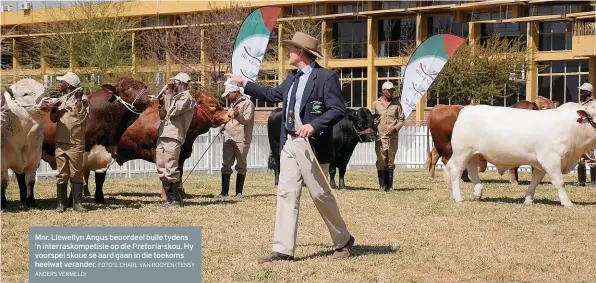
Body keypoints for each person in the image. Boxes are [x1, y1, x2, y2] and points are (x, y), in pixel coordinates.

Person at [225, 31, 355, 263]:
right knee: (286, 193)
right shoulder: (292, 77)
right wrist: (245, 84)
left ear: (303, 53)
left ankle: (343, 240)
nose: (288, 52)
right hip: (290, 143)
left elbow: (337, 110)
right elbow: (272, 94)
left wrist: (314, 126)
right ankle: (283, 250)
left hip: (311, 145)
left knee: (320, 194)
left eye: (292, 49)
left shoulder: (326, 77)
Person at [156, 72, 196, 207]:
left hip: (174, 136)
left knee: (171, 168)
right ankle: (169, 198)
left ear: (180, 83)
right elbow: (163, 115)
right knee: (161, 168)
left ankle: (177, 200)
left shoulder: (187, 98)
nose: (172, 84)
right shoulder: (174, 97)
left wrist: (168, 95)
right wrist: (160, 103)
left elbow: (173, 112)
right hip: (163, 134)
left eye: (175, 82)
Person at [50, 72, 88, 212]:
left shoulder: (83, 100)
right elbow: (54, 119)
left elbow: (83, 118)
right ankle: (61, 204)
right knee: (61, 174)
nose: (60, 84)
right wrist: (54, 109)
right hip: (60, 143)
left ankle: (77, 204)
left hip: (75, 143)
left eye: (62, 82)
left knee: (76, 173)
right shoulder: (61, 99)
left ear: (69, 85)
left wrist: (78, 100)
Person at [219, 83, 255, 198]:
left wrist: (237, 114)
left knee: (241, 165)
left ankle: (239, 193)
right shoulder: (231, 105)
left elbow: (246, 121)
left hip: (241, 139)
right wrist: (223, 127)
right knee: (226, 165)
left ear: (236, 93)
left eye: (229, 94)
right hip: (228, 138)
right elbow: (229, 119)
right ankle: (224, 192)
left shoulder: (248, 103)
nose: (227, 97)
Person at [370, 81, 405, 192]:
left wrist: (394, 129)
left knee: (390, 160)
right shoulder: (376, 104)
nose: (391, 92)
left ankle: (389, 186)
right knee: (381, 160)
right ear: (383, 91)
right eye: (388, 90)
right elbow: (371, 119)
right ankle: (382, 186)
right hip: (380, 137)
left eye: (392, 90)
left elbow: (401, 119)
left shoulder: (397, 104)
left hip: (392, 137)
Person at [578, 82, 595, 186]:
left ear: (588, 92)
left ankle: (594, 181)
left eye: (582, 91)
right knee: (580, 159)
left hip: (589, 134)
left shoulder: (593, 104)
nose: (580, 92)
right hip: (579, 134)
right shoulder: (581, 103)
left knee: (591, 158)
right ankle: (581, 182)